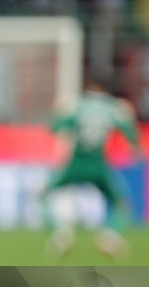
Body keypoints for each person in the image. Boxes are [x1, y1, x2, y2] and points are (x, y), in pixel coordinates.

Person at [43, 79, 143, 259]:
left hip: (75, 162)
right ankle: (110, 235)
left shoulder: (76, 105)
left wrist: (58, 111)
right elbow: (131, 134)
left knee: (44, 195)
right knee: (120, 202)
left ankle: (61, 234)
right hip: (99, 164)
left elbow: (55, 128)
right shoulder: (113, 107)